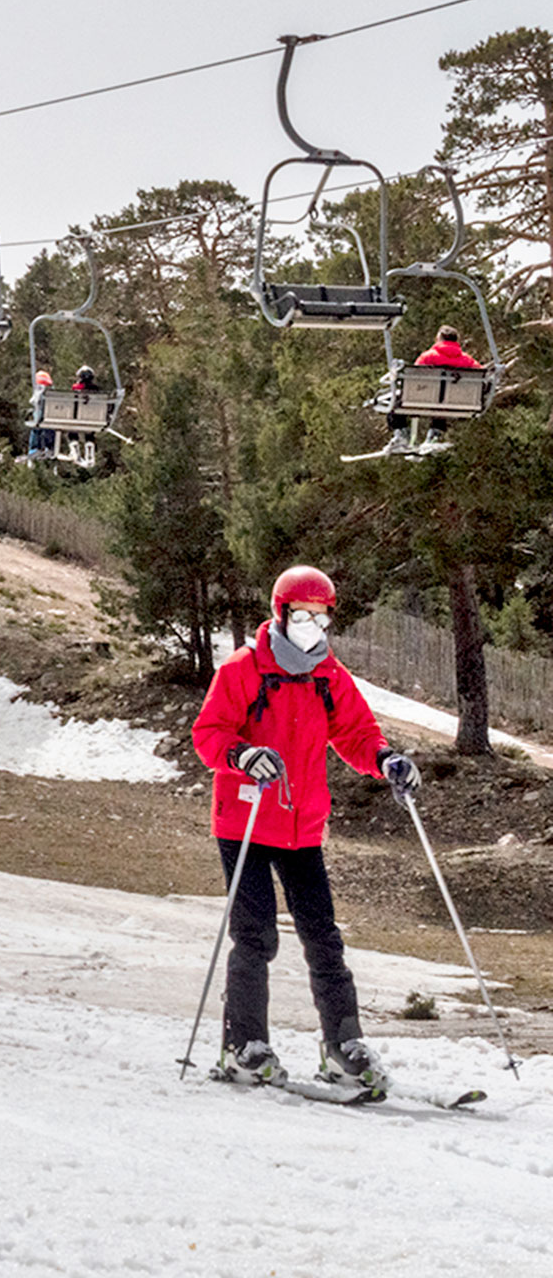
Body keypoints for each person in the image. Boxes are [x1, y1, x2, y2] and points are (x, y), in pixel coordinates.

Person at [191, 565, 418, 1092]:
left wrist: (385, 761)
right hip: (247, 819)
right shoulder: (243, 670)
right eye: (303, 614)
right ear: (281, 612)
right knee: (256, 935)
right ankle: (244, 1045)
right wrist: (242, 755)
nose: (313, 625)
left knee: (323, 938)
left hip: (304, 827)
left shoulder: (328, 676)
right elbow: (209, 735)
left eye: (322, 616)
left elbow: (357, 733)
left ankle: (344, 1046)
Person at [389, 324, 487, 451]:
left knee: (393, 400)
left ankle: (402, 434)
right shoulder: (467, 360)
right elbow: (480, 375)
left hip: (421, 400)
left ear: (439, 339)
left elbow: (414, 378)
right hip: (454, 403)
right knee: (444, 400)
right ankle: (435, 434)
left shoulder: (428, 356)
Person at [26, 370, 55, 461]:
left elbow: (33, 401)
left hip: (42, 417)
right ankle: (49, 447)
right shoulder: (52, 391)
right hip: (52, 418)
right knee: (50, 429)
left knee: (35, 427)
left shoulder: (40, 390)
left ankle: (34, 448)